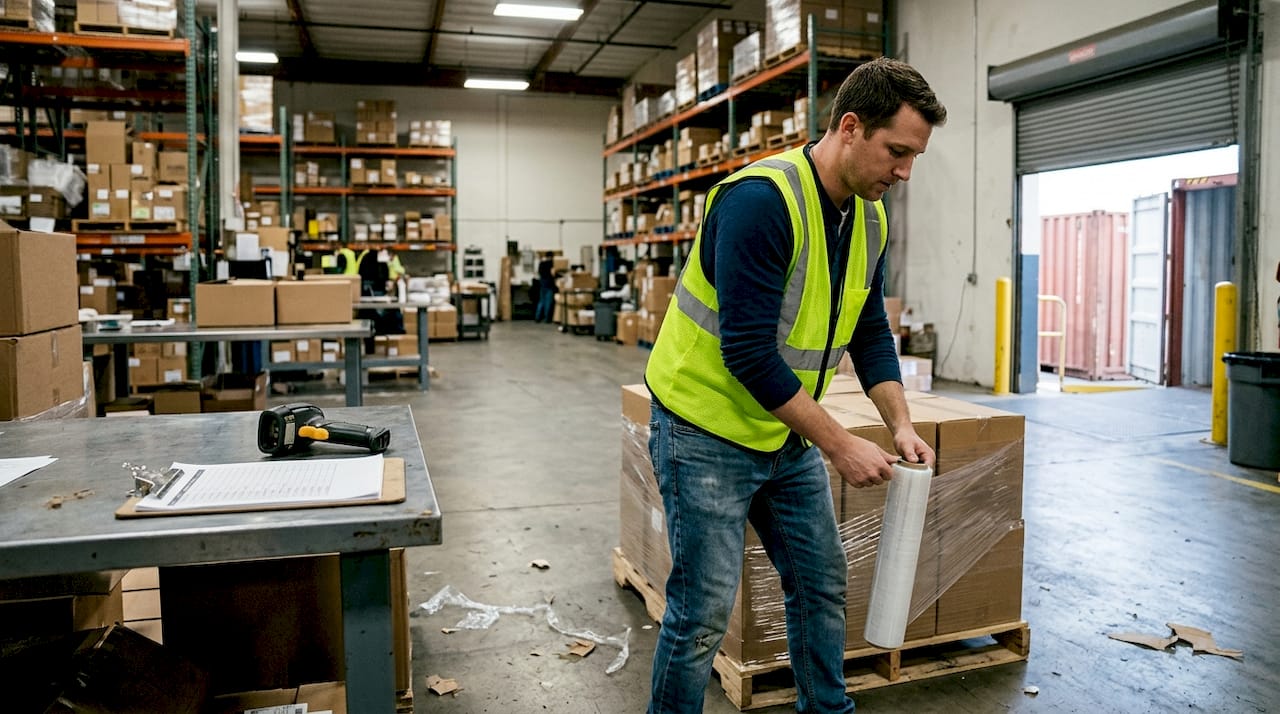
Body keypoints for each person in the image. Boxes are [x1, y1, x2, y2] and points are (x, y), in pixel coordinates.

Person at [643, 57, 947, 713]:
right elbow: (748, 352)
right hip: (704, 430)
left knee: (819, 582)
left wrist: (899, 424)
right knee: (701, 612)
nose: (904, 172)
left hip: (782, 433)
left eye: (914, 157)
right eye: (896, 151)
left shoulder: (868, 217)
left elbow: (868, 330)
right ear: (849, 127)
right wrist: (841, 445)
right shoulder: (762, 201)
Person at [534, 252, 558, 323]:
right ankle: (547, 318)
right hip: (549, 284)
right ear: (551, 257)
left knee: (541, 301)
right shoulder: (552, 263)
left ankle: (537, 317)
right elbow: (553, 274)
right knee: (548, 302)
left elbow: (539, 273)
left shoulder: (541, 263)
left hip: (542, 284)